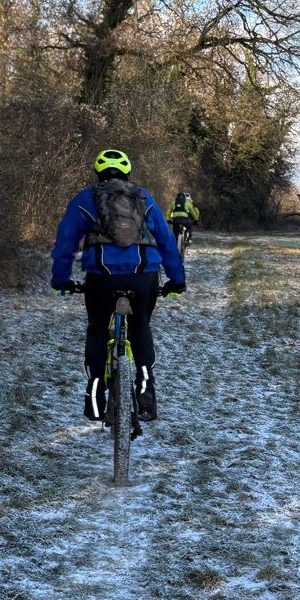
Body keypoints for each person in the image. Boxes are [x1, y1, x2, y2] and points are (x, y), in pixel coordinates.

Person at [51, 149, 185, 425]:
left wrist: (61, 278)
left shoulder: (86, 198)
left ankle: (95, 392)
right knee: (140, 324)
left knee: (98, 328)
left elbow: (66, 241)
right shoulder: (144, 198)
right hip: (143, 276)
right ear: (127, 173)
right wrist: (177, 279)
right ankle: (145, 385)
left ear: (98, 173)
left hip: (102, 278)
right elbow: (166, 241)